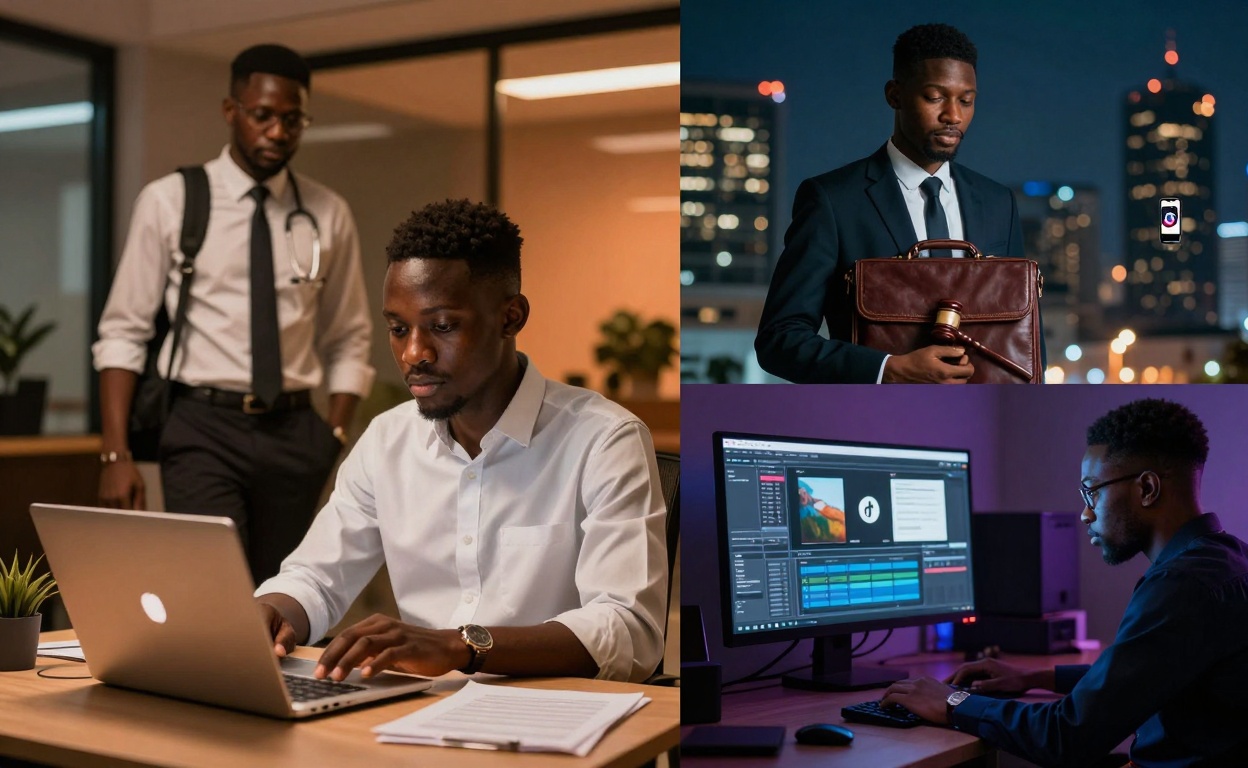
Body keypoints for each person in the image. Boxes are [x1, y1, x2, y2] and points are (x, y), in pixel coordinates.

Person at [253, 199, 668, 684]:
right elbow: (315, 578)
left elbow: (627, 629)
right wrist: (273, 611)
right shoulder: (387, 440)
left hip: (555, 723)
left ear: (510, 318)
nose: (413, 353)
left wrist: (459, 646)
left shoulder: (604, 439)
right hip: (418, 712)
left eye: (443, 327)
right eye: (398, 329)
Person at [881, 398, 1248, 768]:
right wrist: (1036, 677)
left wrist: (953, 701)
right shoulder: (1240, 564)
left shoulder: (1182, 585)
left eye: (1091, 492)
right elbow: (1142, 676)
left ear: (1148, 488)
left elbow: (1065, 737)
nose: (1084, 514)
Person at [93, 44, 373, 585]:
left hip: (295, 432)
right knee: (210, 588)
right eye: (262, 115)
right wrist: (115, 455)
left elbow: (350, 335)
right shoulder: (171, 200)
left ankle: (282, 677)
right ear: (231, 111)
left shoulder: (326, 212)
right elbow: (122, 332)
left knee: (290, 594)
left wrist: (332, 435)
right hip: (202, 426)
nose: (277, 132)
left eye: (292, 120)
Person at [755, 23, 1026, 384]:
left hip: (979, 412)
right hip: (878, 413)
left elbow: (1023, 331)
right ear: (894, 95)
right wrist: (887, 370)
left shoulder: (999, 204)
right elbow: (780, 339)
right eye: (935, 97)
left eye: (966, 100)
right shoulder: (832, 200)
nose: (953, 116)